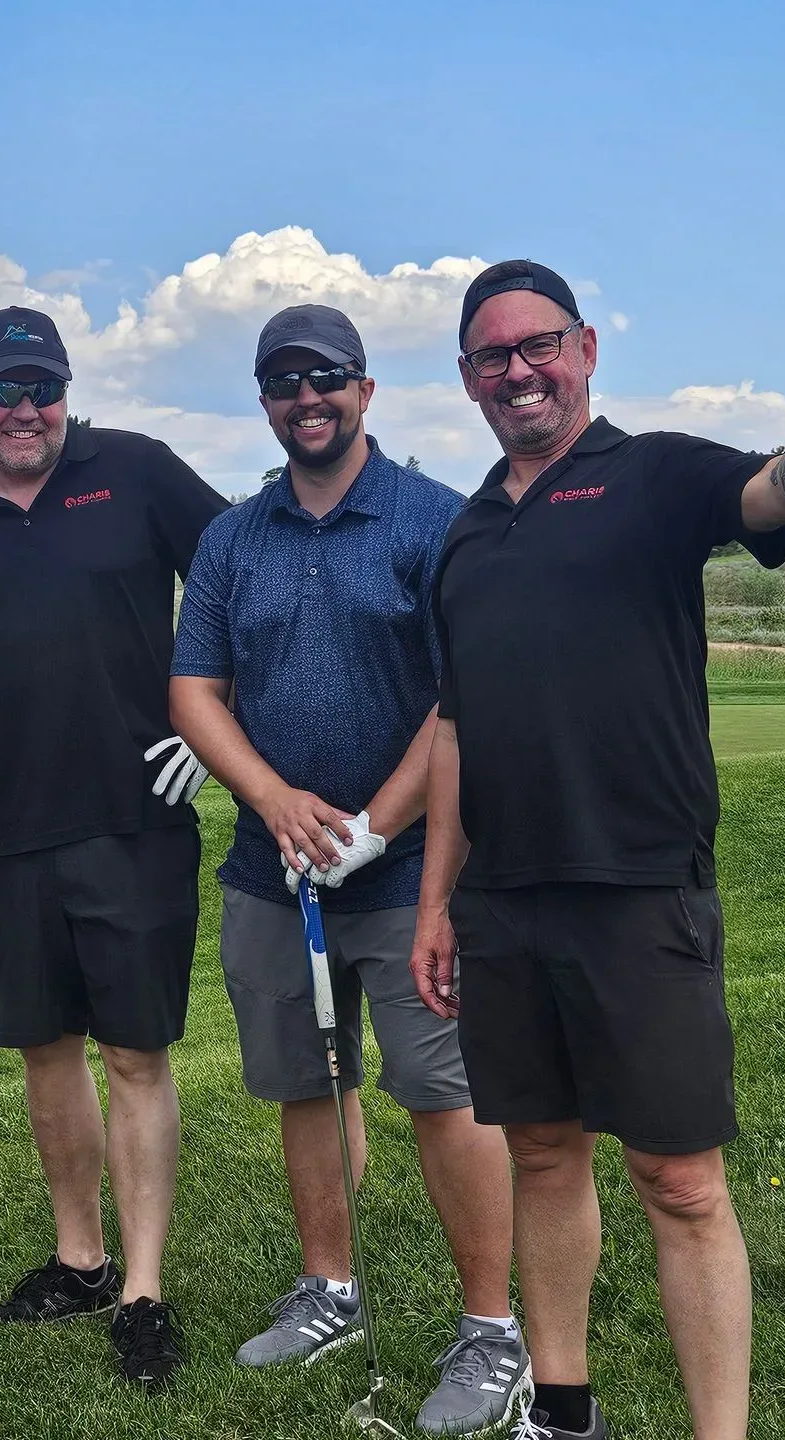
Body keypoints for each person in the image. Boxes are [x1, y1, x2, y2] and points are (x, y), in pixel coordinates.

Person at [413, 261, 785, 1440]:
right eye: (493, 356)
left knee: (681, 1184)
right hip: (504, 898)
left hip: (641, 889)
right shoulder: (467, 532)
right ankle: (564, 1406)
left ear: (586, 349)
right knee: (542, 1155)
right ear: (466, 379)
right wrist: (438, 900)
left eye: (538, 345)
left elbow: (772, 493)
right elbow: (456, 728)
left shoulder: (651, 473)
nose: (519, 371)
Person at [170, 304, 529, 1436]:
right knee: (307, 1087)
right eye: (283, 383)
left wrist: (373, 825)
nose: (305, 398)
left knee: (446, 1096)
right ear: (266, 403)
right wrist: (273, 801)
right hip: (271, 870)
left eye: (325, 377)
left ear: (365, 390)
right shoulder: (234, 537)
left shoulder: (432, 518)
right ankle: (329, 1286)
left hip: (415, 870)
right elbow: (195, 693)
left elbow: (458, 698)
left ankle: (491, 1331)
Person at [0, 306, 229, 1389]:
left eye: (43, 390)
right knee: (45, 1049)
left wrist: (214, 731)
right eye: (4, 390)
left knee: (135, 1052)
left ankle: (141, 1289)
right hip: (16, 828)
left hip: (136, 817)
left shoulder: (135, 471)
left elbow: (241, 581)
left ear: (67, 393)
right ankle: (79, 1260)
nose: (24, 410)